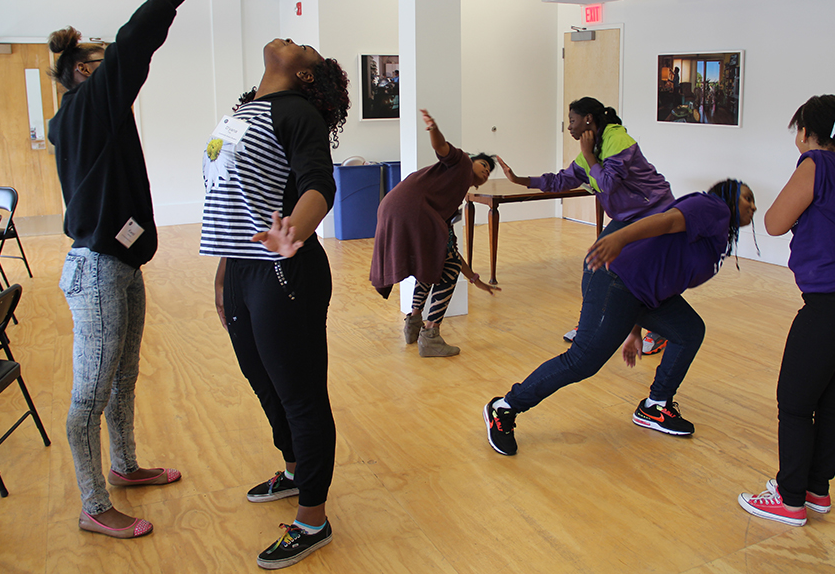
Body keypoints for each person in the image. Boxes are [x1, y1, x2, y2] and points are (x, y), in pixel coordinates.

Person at [46, 0, 246, 540]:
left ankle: (125, 466)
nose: (120, 71)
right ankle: (92, 503)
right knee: (90, 393)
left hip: (121, 263)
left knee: (124, 375)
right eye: (103, 64)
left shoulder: (89, 114)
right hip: (97, 267)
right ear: (83, 73)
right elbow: (137, 40)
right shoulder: (88, 106)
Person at [199, 37, 349, 568]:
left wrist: (296, 234)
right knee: (262, 379)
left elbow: (318, 185)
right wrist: (224, 270)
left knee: (300, 392)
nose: (291, 40)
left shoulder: (298, 113)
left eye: (304, 46)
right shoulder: (245, 110)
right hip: (243, 268)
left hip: (286, 270)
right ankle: (293, 469)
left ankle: (313, 519)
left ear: (307, 75)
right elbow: (232, 201)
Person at [485, 179, 757, 455]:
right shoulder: (713, 207)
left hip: (643, 293)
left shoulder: (718, 233)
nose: (753, 206)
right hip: (616, 279)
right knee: (583, 360)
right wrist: (619, 237)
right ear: (728, 196)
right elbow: (665, 222)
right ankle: (505, 408)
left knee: (689, 331)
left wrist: (635, 329)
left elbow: (662, 269)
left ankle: (656, 406)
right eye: (747, 198)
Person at [738, 95, 835, 526]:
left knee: (796, 401)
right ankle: (817, 490)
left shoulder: (814, 166)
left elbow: (774, 223)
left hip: (834, 305)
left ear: (805, 131)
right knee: (831, 396)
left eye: (797, 130)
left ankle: (790, 499)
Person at [497, 97, 674, 354]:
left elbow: (608, 184)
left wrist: (589, 154)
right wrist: (521, 180)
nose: (569, 126)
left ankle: (659, 331)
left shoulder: (616, 140)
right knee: (594, 261)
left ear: (588, 119)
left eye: (572, 120)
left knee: (645, 272)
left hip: (656, 211)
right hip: (629, 216)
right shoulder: (593, 149)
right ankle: (589, 324)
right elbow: (562, 180)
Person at [369, 109, 500, 357]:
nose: (485, 171)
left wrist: (474, 279)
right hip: (411, 209)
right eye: (483, 164)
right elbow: (442, 148)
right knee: (447, 269)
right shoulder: (460, 163)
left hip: (393, 207)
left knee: (432, 262)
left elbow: (449, 248)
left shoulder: (450, 196)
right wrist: (433, 128)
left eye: (488, 172)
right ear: (472, 160)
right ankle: (430, 335)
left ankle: (414, 322)